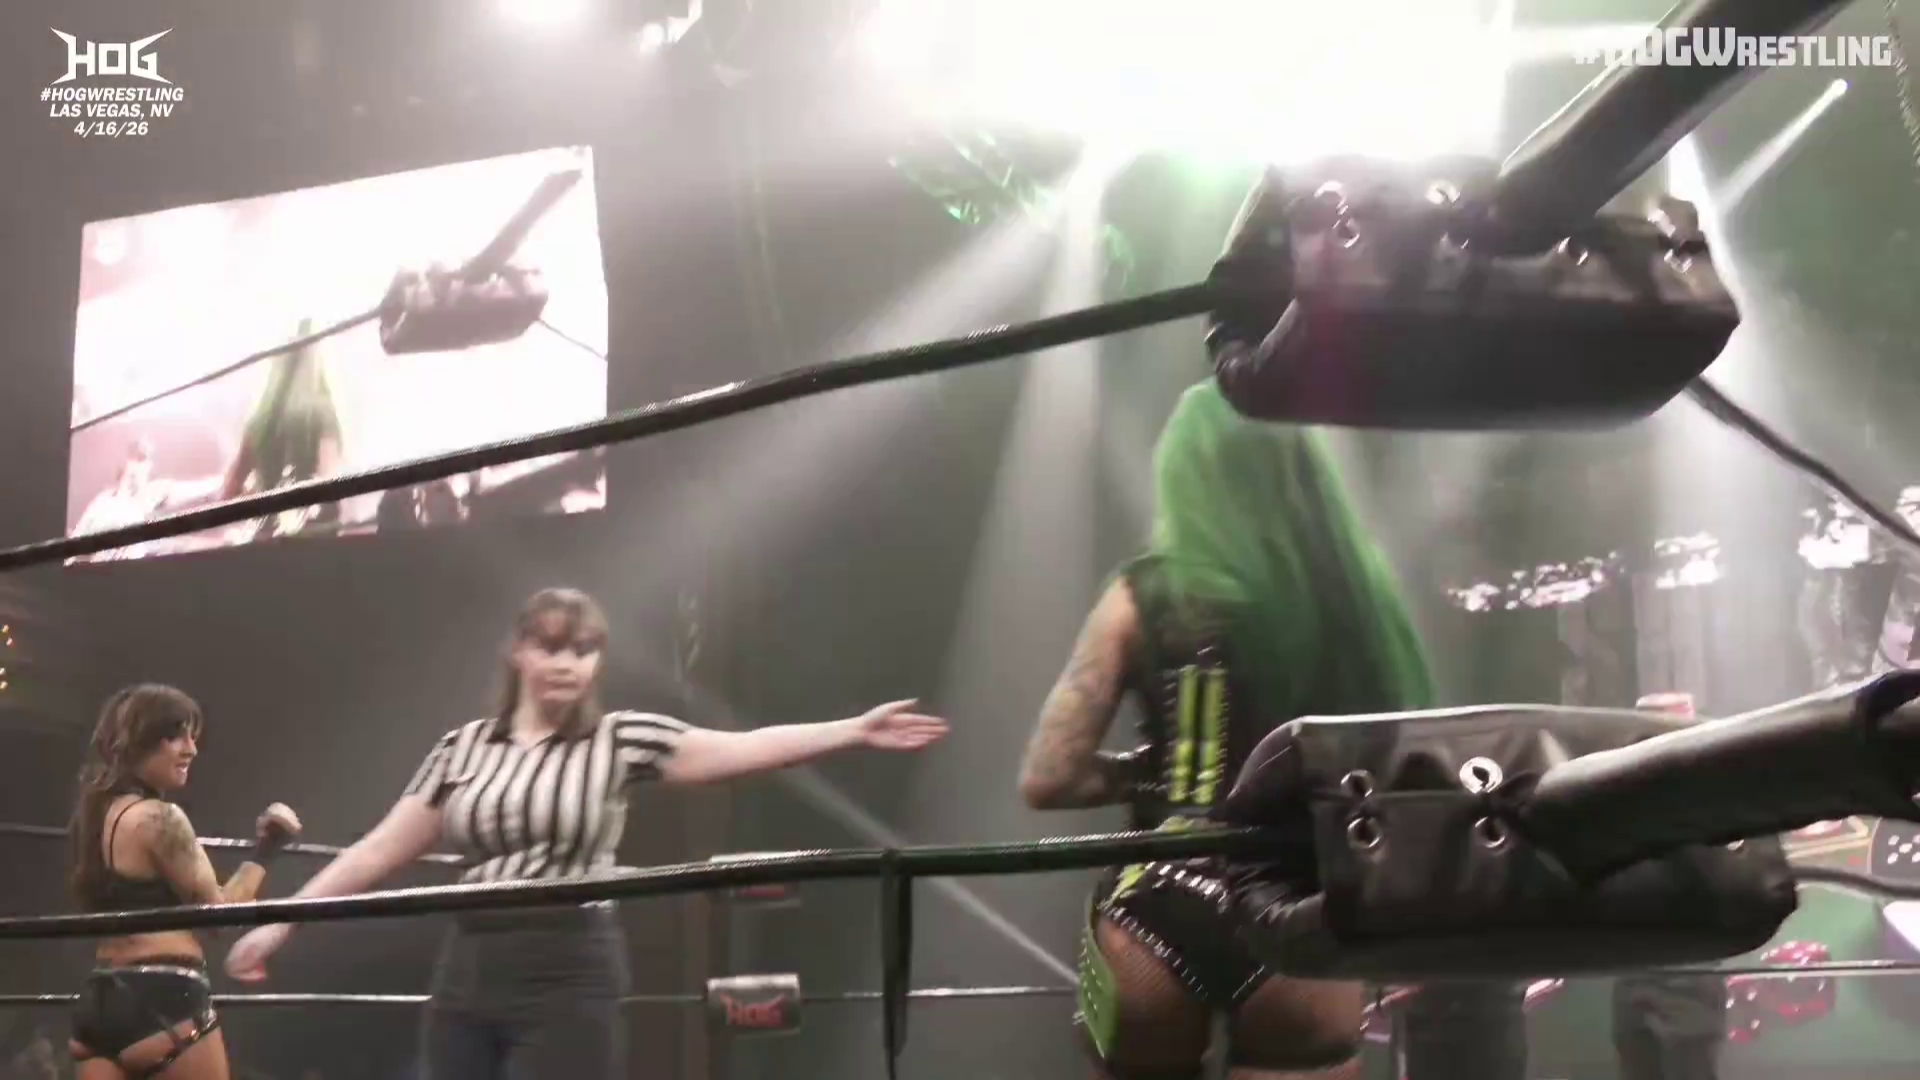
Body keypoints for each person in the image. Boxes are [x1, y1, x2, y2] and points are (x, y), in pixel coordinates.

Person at [223, 587, 949, 1080]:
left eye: (585, 648)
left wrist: (851, 730)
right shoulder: (461, 748)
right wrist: (282, 922)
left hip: (568, 964)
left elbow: (742, 748)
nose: (569, 663)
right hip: (469, 964)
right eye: (552, 646)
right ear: (519, 652)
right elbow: (380, 847)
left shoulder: (619, 738)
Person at [1017, 379, 1434, 1080]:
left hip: (1153, 902)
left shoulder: (1140, 596)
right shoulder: (1352, 596)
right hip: (1302, 902)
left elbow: (1049, 778)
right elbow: (1403, 772)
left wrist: (1151, 772)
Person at [66, 685, 302, 1080]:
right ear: (139, 740)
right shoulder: (159, 818)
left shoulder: (91, 821)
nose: (191, 749)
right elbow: (221, 916)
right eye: (175, 736)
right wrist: (267, 849)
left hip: (98, 1003)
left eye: (192, 737)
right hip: (163, 1000)